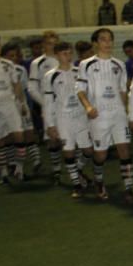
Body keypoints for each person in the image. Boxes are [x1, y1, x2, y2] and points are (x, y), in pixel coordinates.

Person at [76, 28, 133, 203]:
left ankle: (129, 188)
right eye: (103, 39)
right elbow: (80, 90)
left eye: (110, 39)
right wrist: (88, 107)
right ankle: (99, 182)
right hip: (98, 116)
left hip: (118, 114)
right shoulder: (86, 64)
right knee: (100, 154)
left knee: (124, 150)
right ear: (95, 43)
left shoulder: (119, 64)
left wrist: (126, 111)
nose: (108, 43)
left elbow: (123, 91)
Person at [42, 42, 93, 197]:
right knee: (69, 151)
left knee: (88, 151)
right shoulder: (50, 76)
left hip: (80, 116)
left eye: (70, 53)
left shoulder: (79, 71)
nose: (68, 56)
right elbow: (48, 102)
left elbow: (87, 93)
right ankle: (76, 184)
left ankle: (77, 169)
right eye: (64, 53)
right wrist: (50, 125)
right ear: (57, 55)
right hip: (63, 118)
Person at [27, 30, 62, 179]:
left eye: (55, 44)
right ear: (43, 45)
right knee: (52, 139)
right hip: (49, 107)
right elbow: (32, 88)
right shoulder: (38, 63)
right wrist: (45, 103)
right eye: (49, 43)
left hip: (67, 106)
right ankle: (57, 170)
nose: (52, 46)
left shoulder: (64, 59)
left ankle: (77, 169)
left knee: (74, 138)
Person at [0, 47, 29, 181]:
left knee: (19, 135)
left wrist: (22, 104)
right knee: (0, 140)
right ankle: (3, 170)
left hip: (9, 104)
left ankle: (19, 167)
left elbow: (16, 85)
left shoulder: (8, 64)